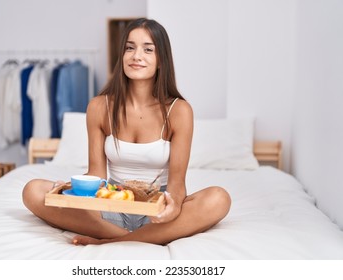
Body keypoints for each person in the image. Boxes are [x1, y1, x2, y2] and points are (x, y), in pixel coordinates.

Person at [22, 18, 231, 245]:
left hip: (156, 210)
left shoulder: (179, 111)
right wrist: (69, 190)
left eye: (148, 49)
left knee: (219, 198)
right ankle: (129, 238)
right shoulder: (99, 106)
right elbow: (97, 175)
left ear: (161, 60)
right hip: (110, 207)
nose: (136, 56)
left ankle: (108, 241)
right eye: (130, 48)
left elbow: (177, 185)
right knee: (33, 191)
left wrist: (174, 207)